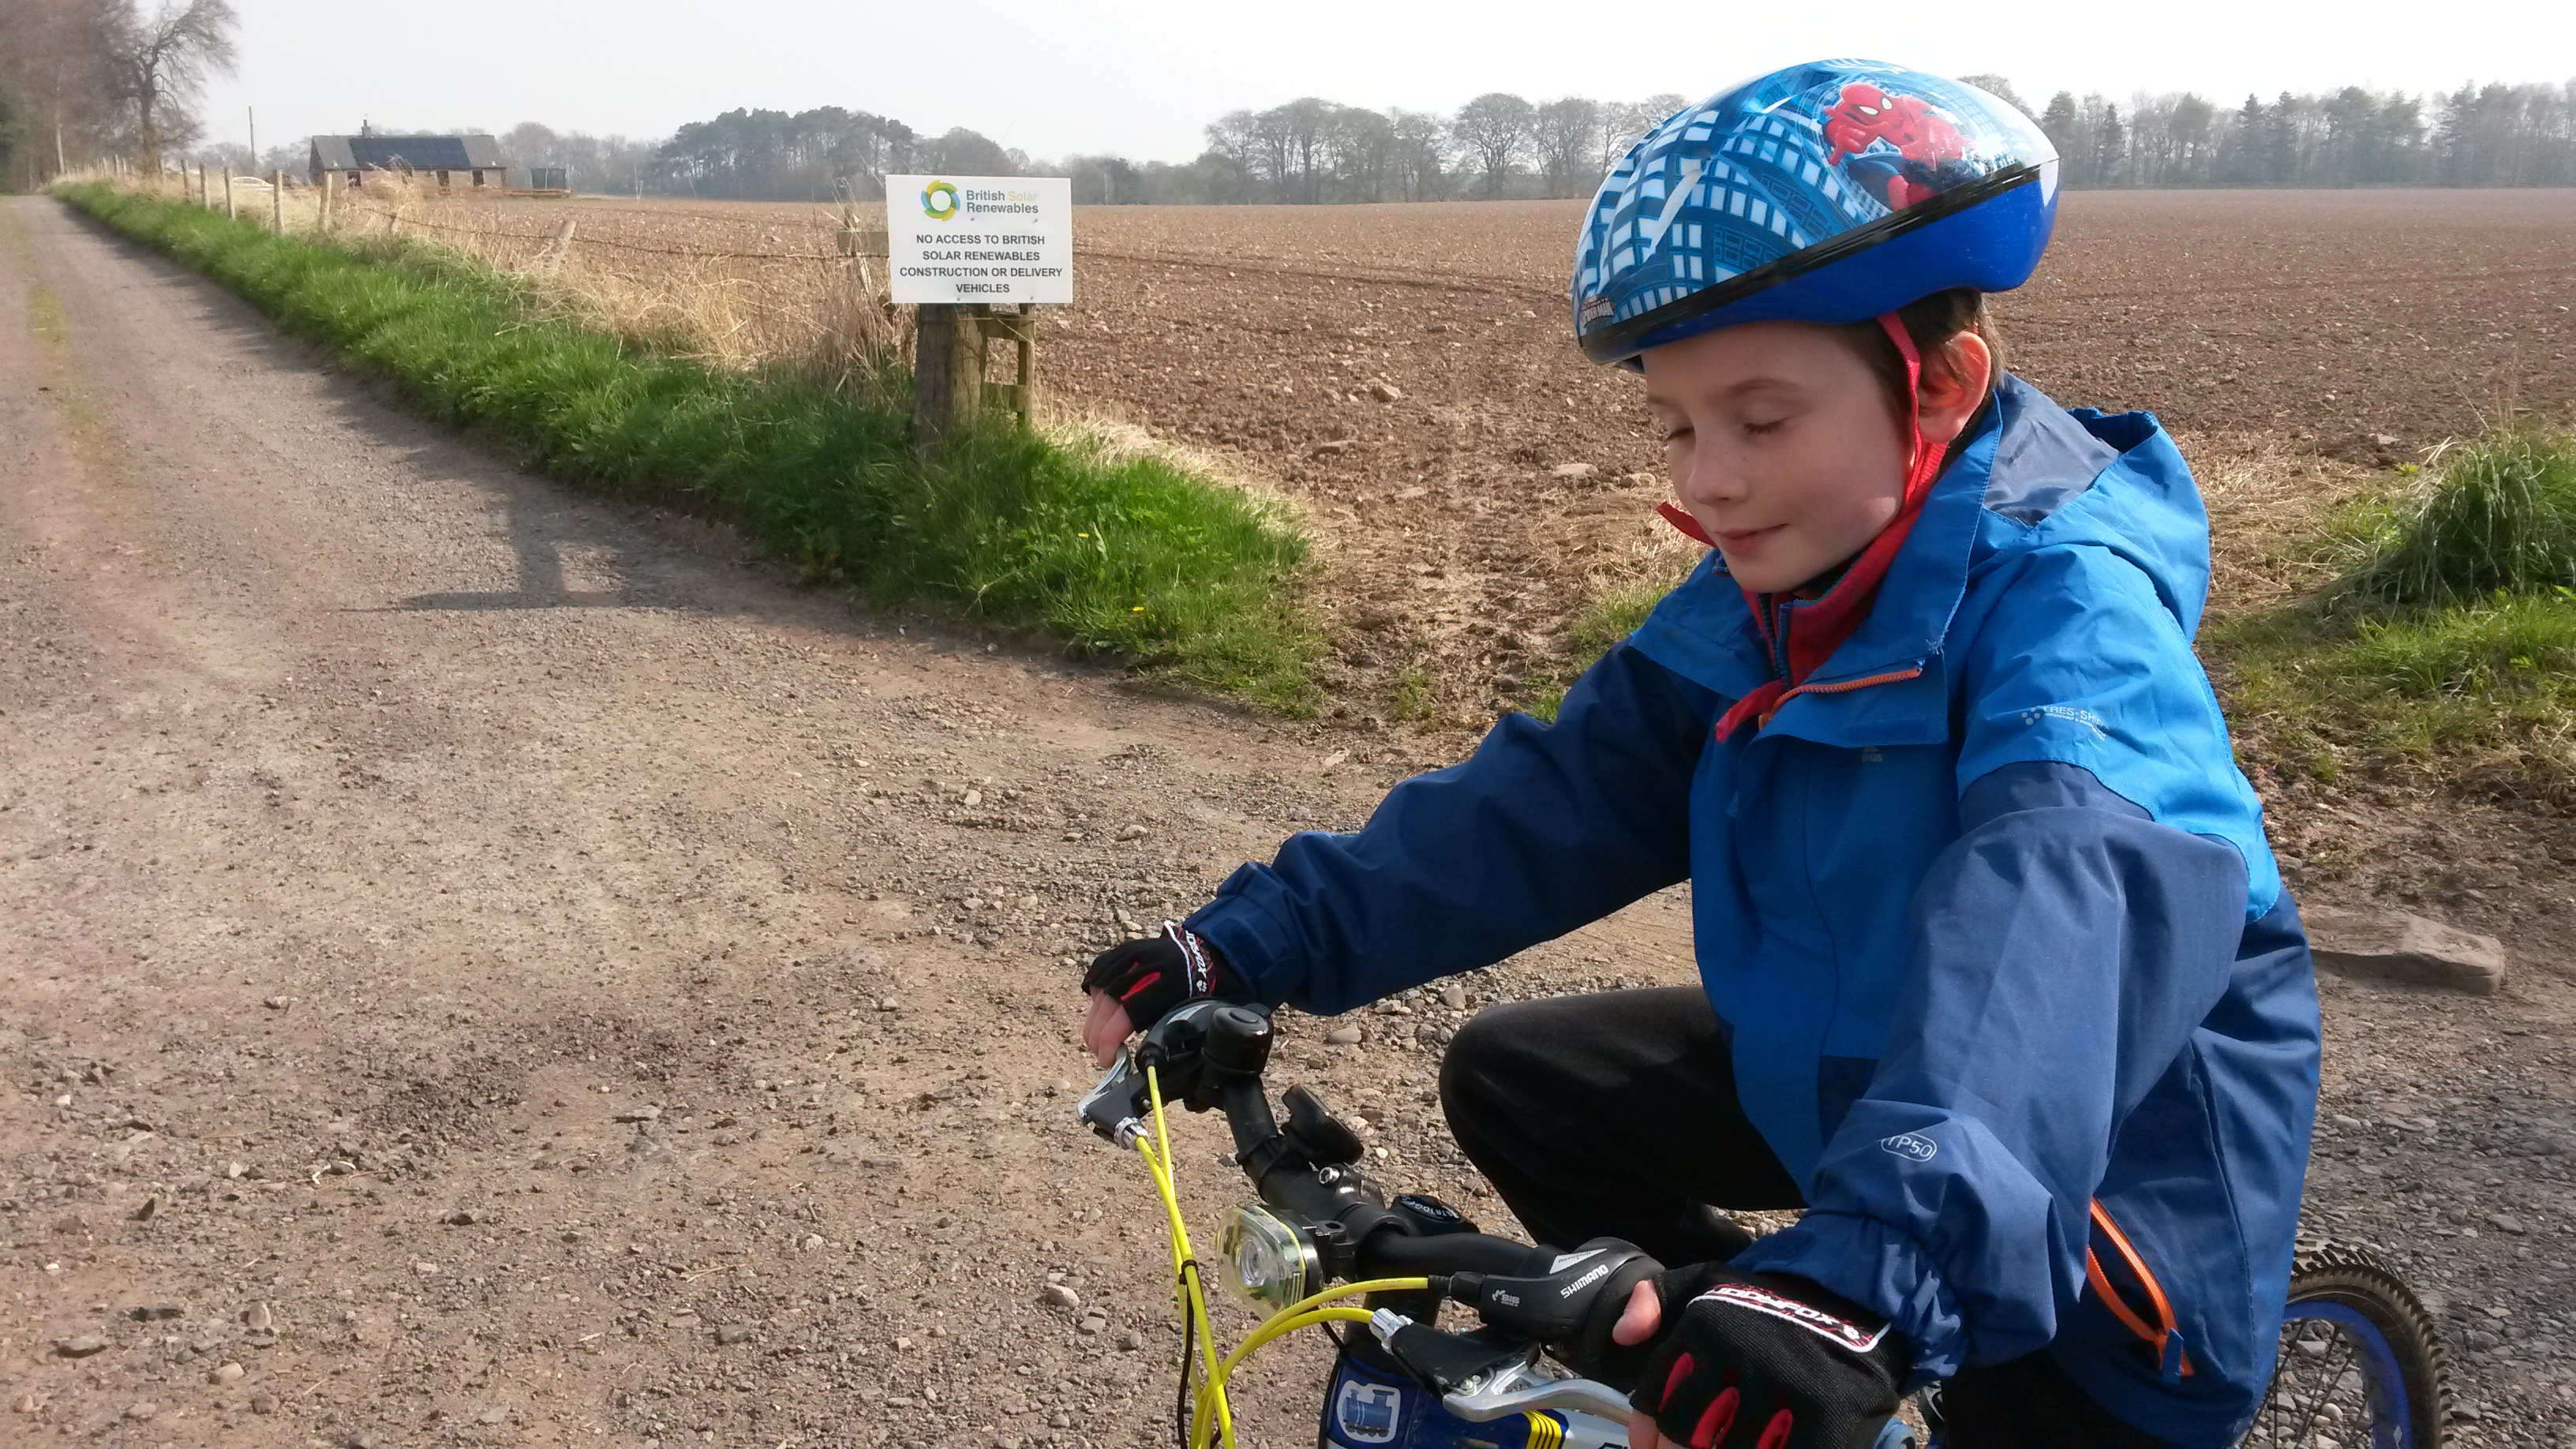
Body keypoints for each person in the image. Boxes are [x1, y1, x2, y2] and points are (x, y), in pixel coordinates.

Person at [1076, 59, 2318, 1449]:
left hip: (2097, 1206)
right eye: (1675, 424)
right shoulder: (1770, 598)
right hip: (1863, 1088)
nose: (1705, 479)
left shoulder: (2076, 621)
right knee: (1518, 1082)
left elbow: (2062, 910)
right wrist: (1255, 938)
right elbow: (1551, 801)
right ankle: (1748, 1341)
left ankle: (1822, 1319)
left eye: (1761, 421)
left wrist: (1863, 1278)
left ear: (1939, 388)